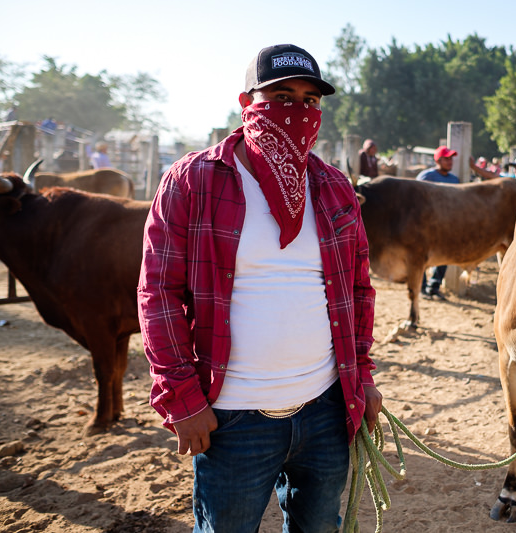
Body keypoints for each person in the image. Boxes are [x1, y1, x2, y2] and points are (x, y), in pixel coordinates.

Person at [137, 43, 382, 532]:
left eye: (310, 100)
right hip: (231, 418)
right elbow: (158, 293)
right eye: (282, 95)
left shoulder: (333, 187)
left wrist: (364, 378)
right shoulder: (193, 180)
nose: (299, 110)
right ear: (247, 103)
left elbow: (357, 290)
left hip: (327, 410)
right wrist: (181, 399)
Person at [416, 145, 460, 298]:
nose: (450, 162)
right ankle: (421, 288)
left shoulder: (455, 180)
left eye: (451, 159)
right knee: (421, 255)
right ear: (438, 160)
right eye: (446, 159)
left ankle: (434, 287)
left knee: (445, 255)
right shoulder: (426, 176)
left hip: (446, 224)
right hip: (427, 223)